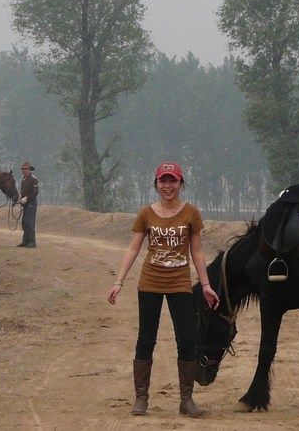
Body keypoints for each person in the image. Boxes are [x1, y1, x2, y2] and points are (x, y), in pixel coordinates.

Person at [107, 162, 220, 418]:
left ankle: (186, 399)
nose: (167, 186)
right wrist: (118, 281)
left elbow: (197, 251)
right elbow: (134, 249)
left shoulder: (191, 213)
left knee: (187, 340)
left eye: (173, 181)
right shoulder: (146, 213)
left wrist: (205, 285)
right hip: (150, 283)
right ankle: (141, 398)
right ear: (156, 184)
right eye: (163, 181)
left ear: (181, 184)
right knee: (146, 338)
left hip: (180, 283)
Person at [17, 161, 39, 248]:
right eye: (23, 169)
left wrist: (26, 198)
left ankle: (32, 241)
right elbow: (23, 191)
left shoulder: (33, 179)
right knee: (24, 222)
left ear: (29, 169)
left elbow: (35, 192)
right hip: (25, 204)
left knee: (29, 222)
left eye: (25, 169)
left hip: (31, 203)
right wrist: (21, 199)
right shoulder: (23, 179)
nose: (23, 171)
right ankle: (25, 241)